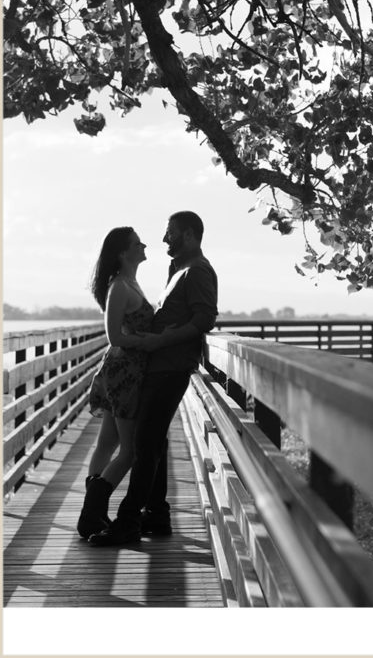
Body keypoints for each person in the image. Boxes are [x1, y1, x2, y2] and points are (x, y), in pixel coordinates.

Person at [90, 211, 218, 546]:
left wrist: (159, 341)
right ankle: (156, 514)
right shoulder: (177, 270)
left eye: (171, 233)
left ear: (189, 235)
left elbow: (205, 317)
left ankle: (128, 520)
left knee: (144, 445)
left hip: (171, 367)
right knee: (153, 443)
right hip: (155, 367)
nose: (163, 240)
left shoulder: (198, 270)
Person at [77, 227, 153, 538]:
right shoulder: (120, 287)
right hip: (124, 374)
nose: (144, 245)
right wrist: (149, 341)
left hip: (123, 370)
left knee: (108, 443)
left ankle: (92, 514)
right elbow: (114, 336)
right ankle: (91, 514)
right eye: (138, 243)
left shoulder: (130, 283)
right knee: (130, 451)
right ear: (124, 252)